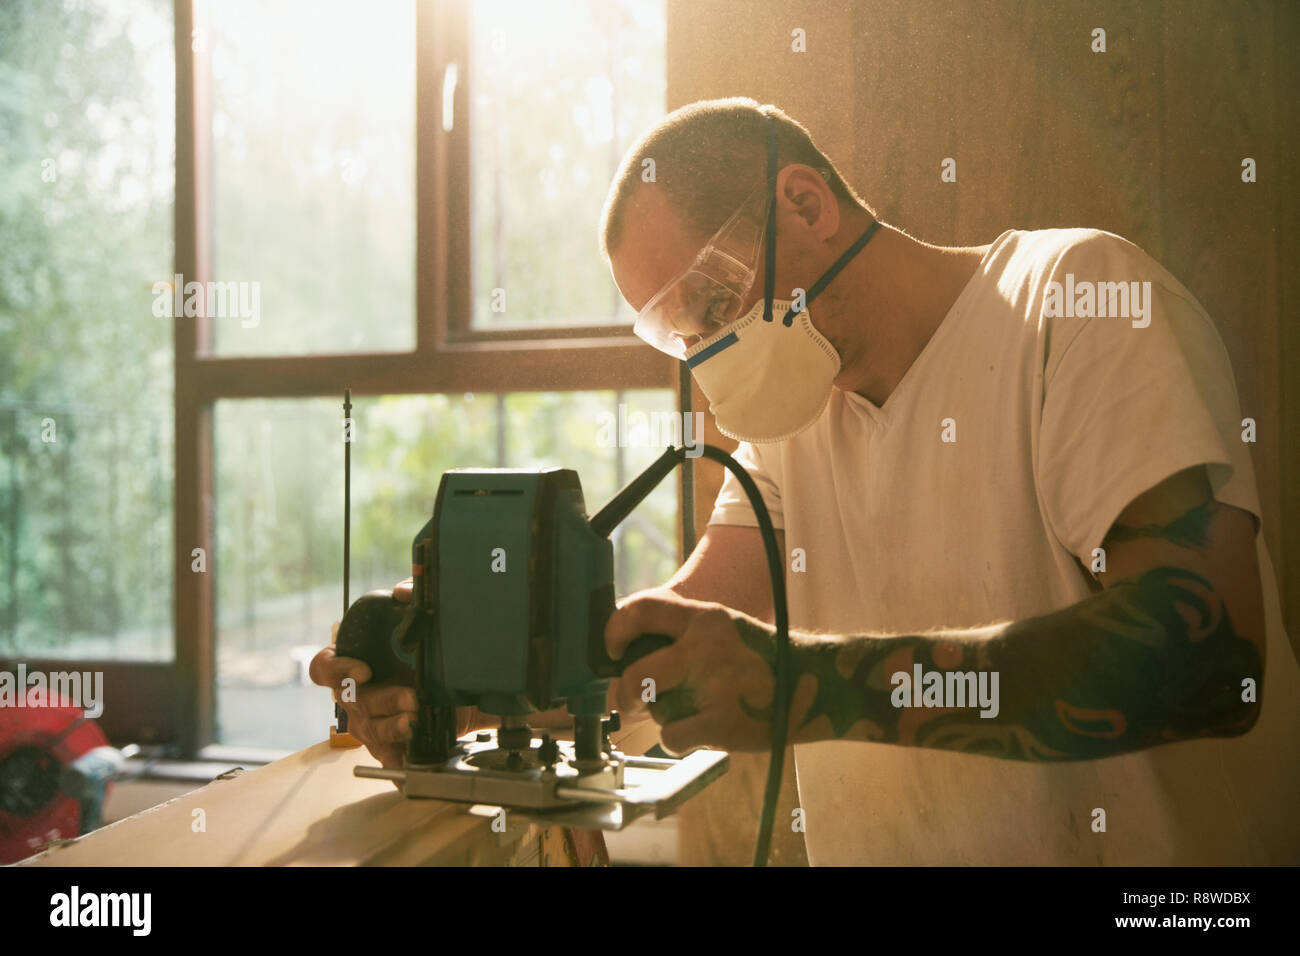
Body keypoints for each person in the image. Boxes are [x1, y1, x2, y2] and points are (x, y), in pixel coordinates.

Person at [313, 97, 1300, 864]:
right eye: (678, 331)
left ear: (805, 203)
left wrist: (808, 685)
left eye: (710, 298)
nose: (704, 348)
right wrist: (453, 668)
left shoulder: (1071, 304)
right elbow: (672, 634)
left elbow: (1207, 658)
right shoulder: (793, 431)